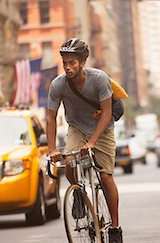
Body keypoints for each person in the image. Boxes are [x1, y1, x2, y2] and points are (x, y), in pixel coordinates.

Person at [46, 38, 123, 243]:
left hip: (102, 129)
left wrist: (92, 143)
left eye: (72, 62)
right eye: (65, 63)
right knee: (70, 162)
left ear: (83, 62)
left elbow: (107, 112)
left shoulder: (99, 79)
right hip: (77, 128)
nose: (68, 67)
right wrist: (52, 149)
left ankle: (115, 227)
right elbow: (50, 117)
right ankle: (79, 195)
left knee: (106, 177)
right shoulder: (58, 85)